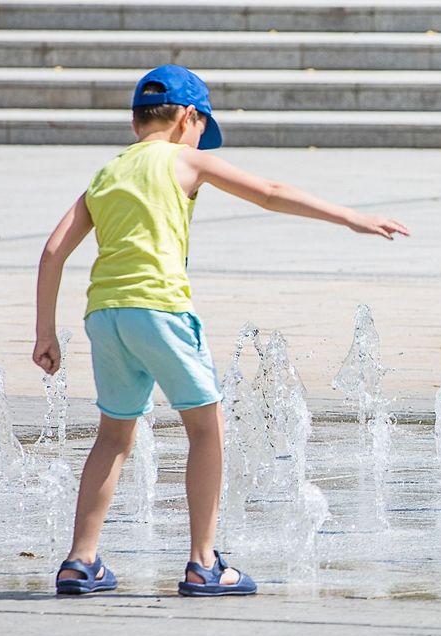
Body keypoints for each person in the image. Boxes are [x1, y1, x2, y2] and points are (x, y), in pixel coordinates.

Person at [33, 64, 409, 597]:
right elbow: (271, 191)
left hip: (105, 316)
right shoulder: (186, 159)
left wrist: (45, 332)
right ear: (189, 117)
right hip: (160, 311)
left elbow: (52, 251)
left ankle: (79, 560)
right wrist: (351, 217)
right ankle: (204, 562)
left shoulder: (108, 172)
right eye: (200, 128)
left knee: (114, 436)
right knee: (205, 428)